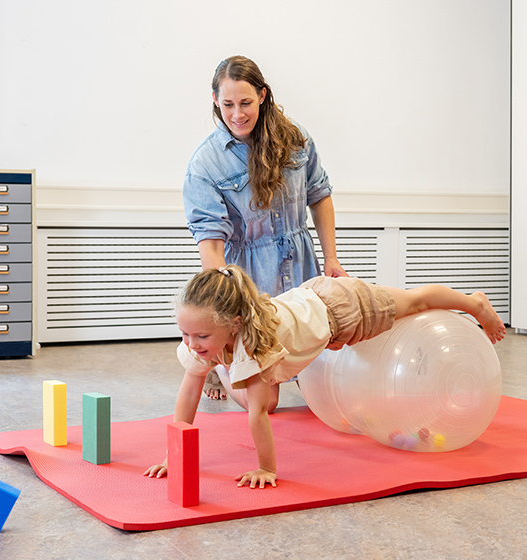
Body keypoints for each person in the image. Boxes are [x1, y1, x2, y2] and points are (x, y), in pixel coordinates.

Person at [144, 265, 506, 488]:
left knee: (416, 303)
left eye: (201, 337)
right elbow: (190, 391)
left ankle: (474, 303)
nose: (191, 344)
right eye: (185, 334)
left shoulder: (253, 345)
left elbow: (256, 413)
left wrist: (266, 468)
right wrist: (171, 454)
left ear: (234, 325)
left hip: (341, 310)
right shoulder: (203, 341)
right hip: (312, 302)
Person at [183, 55, 349, 400]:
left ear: (262, 95)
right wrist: (224, 308)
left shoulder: (296, 138)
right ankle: (220, 365)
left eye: (245, 102)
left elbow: (320, 195)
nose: (237, 114)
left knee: (321, 382)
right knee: (266, 401)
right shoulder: (205, 163)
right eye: (227, 104)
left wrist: (331, 258)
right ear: (215, 100)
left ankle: (250, 365)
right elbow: (211, 244)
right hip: (249, 278)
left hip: (300, 267)